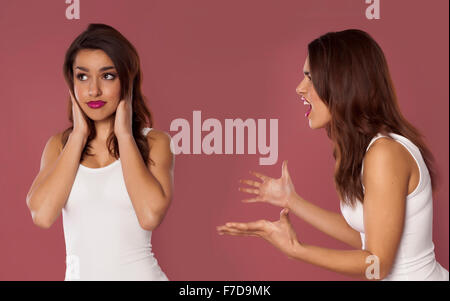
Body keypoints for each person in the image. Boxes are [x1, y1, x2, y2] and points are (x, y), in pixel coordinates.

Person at [217, 29, 449, 281]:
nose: (299, 88)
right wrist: (292, 201)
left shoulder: (385, 154)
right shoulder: (365, 151)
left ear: (343, 83)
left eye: (311, 78)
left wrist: (296, 250)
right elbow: (366, 236)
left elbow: (377, 265)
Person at [26, 24, 174, 281]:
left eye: (107, 76)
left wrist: (125, 135)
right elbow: (42, 214)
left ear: (127, 80)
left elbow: (150, 215)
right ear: (71, 83)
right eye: (82, 77)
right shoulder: (59, 146)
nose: (93, 90)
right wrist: (79, 134)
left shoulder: (155, 143)